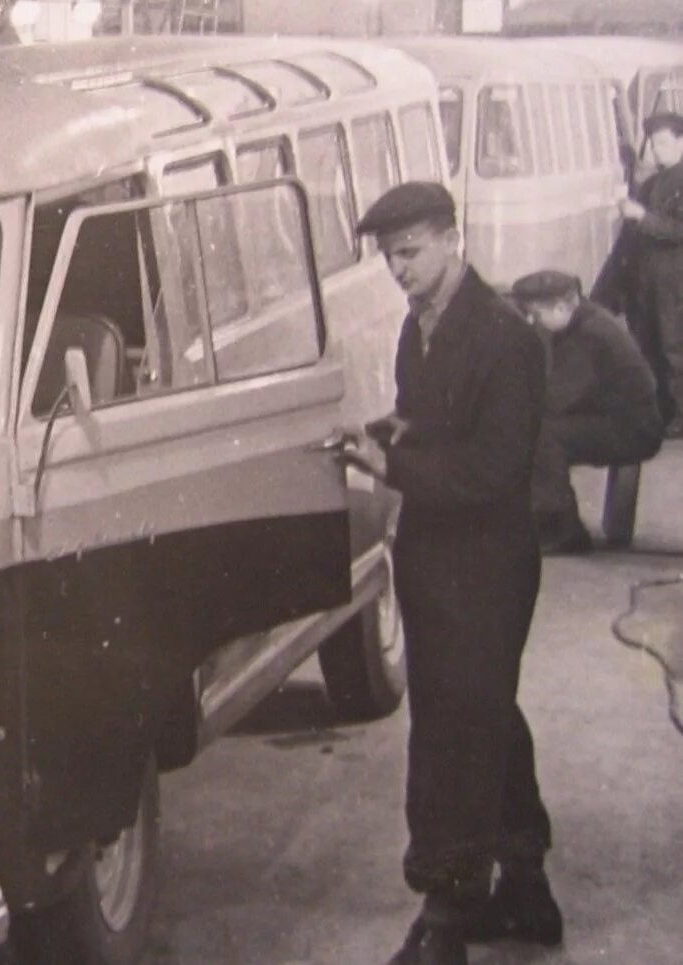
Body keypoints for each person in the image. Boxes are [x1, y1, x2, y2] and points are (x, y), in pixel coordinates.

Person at [336, 182, 561, 965]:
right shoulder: (417, 327)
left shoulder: (506, 338)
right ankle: (526, 883)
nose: (397, 270)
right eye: (388, 258)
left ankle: (447, 914)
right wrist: (395, 429)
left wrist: (392, 464)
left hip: (489, 563)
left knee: (454, 730)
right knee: (482, 711)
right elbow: (432, 420)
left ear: (449, 239)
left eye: (409, 252)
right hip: (434, 558)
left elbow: (495, 469)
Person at [513, 269, 664, 555]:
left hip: (633, 428)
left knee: (543, 435)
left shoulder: (589, 334)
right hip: (618, 419)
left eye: (536, 314)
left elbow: (556, 398)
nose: (533, 322)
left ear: (560, 307)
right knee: (541, 429)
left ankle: (561, 528)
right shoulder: (583, 322)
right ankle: (546, 518)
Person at [615, 111, 683, 436]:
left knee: (674, 347)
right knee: (650, 345)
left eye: (664, 143)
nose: (657, 151)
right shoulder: (652, 183)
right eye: (653, 144)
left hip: (675, 282)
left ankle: (679, 415)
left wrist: (642, 217)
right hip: (649, 282)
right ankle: (662, 412)